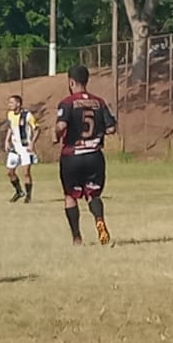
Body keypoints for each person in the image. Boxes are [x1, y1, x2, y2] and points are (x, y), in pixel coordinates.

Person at [55, 65, 117, 246]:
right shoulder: (99, 102)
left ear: (71, 82)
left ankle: (76, 237)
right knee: (93, 194)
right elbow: (111, 128)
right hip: (94, 156)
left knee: (70, 196)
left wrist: (55, 135)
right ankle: (99, 221)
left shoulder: (67, 103)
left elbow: (61, 126)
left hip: (72, 156)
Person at [3, 93, 39, 203]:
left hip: (25, 147)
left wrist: (32, 143)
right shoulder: (10, 114)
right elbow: (10, 127)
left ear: (18, 104)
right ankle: (19, 191)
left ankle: (28, 196)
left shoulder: (27, 115)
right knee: (10, 172)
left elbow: (37, 129)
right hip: (15, 147)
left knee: (26, 172)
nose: (9, 105)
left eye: (12, 102)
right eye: (9, 103)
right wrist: (7, 140)